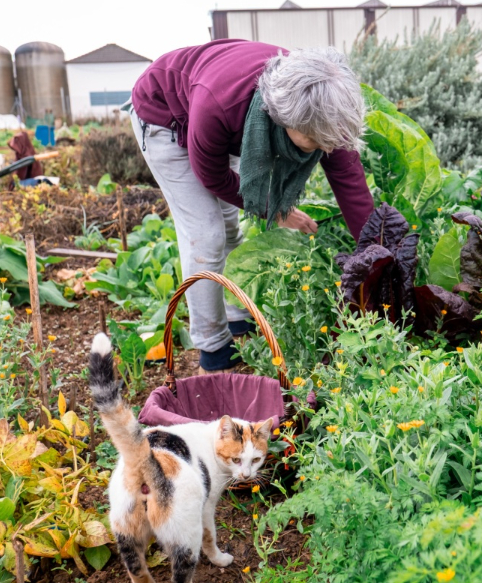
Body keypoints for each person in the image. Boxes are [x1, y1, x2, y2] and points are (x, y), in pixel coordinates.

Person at [128, 40, 373, 372]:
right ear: (285, 121)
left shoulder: (325, 103)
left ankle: (238, 315)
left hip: (217, 119)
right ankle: (213, 349)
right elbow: (212, 176)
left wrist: (376, 251)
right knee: (207, 235)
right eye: (315, 141)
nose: (323, 148)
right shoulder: (222, 105)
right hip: (164, 117)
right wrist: (275, 209)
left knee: (230, 230)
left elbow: (349, 180)